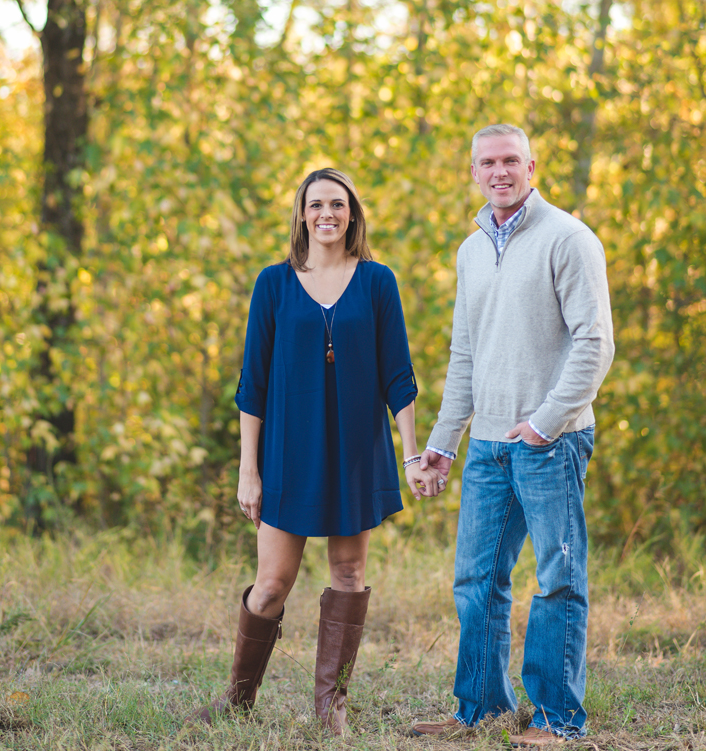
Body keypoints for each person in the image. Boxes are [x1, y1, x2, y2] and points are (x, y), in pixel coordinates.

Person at [190, 167, 440, 735]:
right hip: (287, 452)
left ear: (353, 214)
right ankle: (237, 700)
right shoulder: (273, 283)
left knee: (349, 573)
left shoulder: (378, 282)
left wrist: (409, 453)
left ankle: (331, 707)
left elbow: (398, 377)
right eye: (316, 204)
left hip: (357, 451)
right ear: (301, 214)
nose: (327, 213)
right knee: (273, 582)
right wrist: (247, 470)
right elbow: (252, 383)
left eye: (338, 204)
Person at [412, 124, 614, 745]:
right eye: (486, 163)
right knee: (476, 581)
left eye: (509, 161)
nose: (498, 171)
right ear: (473, 171)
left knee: (557, 579)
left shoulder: (569, 238)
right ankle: (481, 709)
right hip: (488, 449)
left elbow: (595, 343)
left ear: (532, 165)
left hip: (550, 444)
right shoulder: (470, 251)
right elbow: (465, 353)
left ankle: (558, 719)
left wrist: (545, 422)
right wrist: (444, 443)